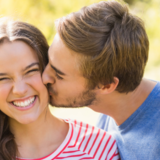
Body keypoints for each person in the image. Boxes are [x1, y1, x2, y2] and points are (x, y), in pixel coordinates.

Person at [42, 1, 160, 160]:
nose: (44, 77)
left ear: (106, 85)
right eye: (49, 61)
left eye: (59, 75)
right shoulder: (110, 109)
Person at [0, 17, 119, 160]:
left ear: (48, 70)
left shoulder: (98, 149)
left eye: (31, 71)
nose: (19, 89)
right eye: (3, 78)